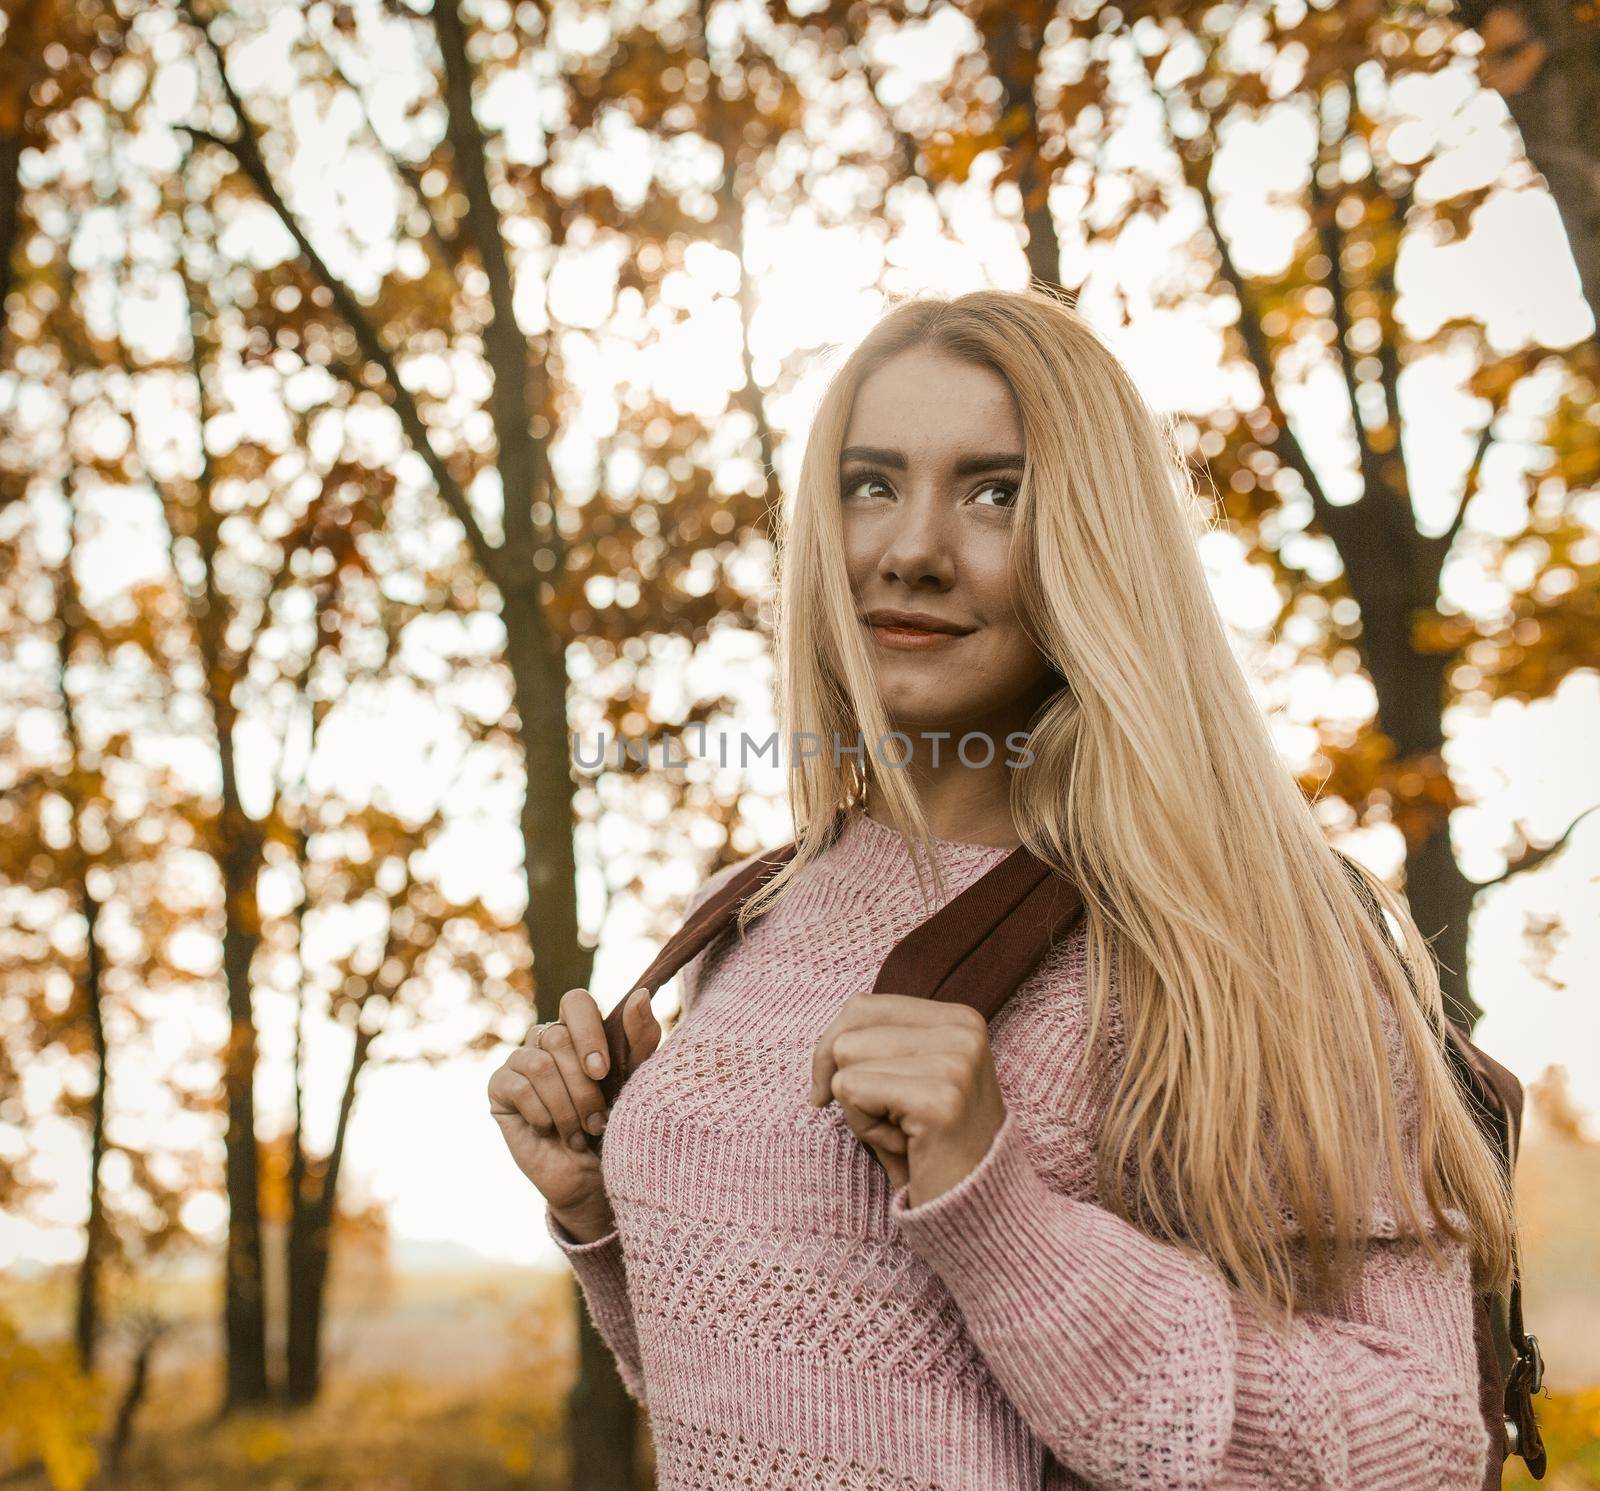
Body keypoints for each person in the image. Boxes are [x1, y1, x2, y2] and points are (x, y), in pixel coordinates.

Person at [487, 287, 1515, 1490]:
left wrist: (1000, 1216)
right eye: (869, 483)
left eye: (994, 493)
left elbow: (1427, 1447)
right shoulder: (751, 910)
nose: (910, 548)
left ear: (1095, 539)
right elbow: (792, 1401)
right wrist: (597, 1213)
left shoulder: (1239, 937)